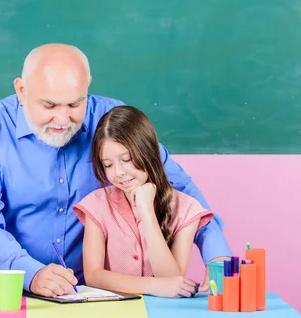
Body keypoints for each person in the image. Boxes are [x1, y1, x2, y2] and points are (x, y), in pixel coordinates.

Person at [0, 43, 232, 298]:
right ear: (21, 91)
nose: (63, 119)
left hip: (84, 296)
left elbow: (177, 185)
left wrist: (216, 252)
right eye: (49, 105)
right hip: (3, 292)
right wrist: (32, 274)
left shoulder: (111, 118)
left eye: (75, 104)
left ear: (87, 86)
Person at [72, 105, 214, 298]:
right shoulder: (97, 205)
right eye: (108, 164)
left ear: (147, 152)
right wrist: (151, 286)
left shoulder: (186, 208)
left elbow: (171, 278)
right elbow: (94, 276)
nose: (119, 172)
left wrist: (147, 212)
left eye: (127, 159)